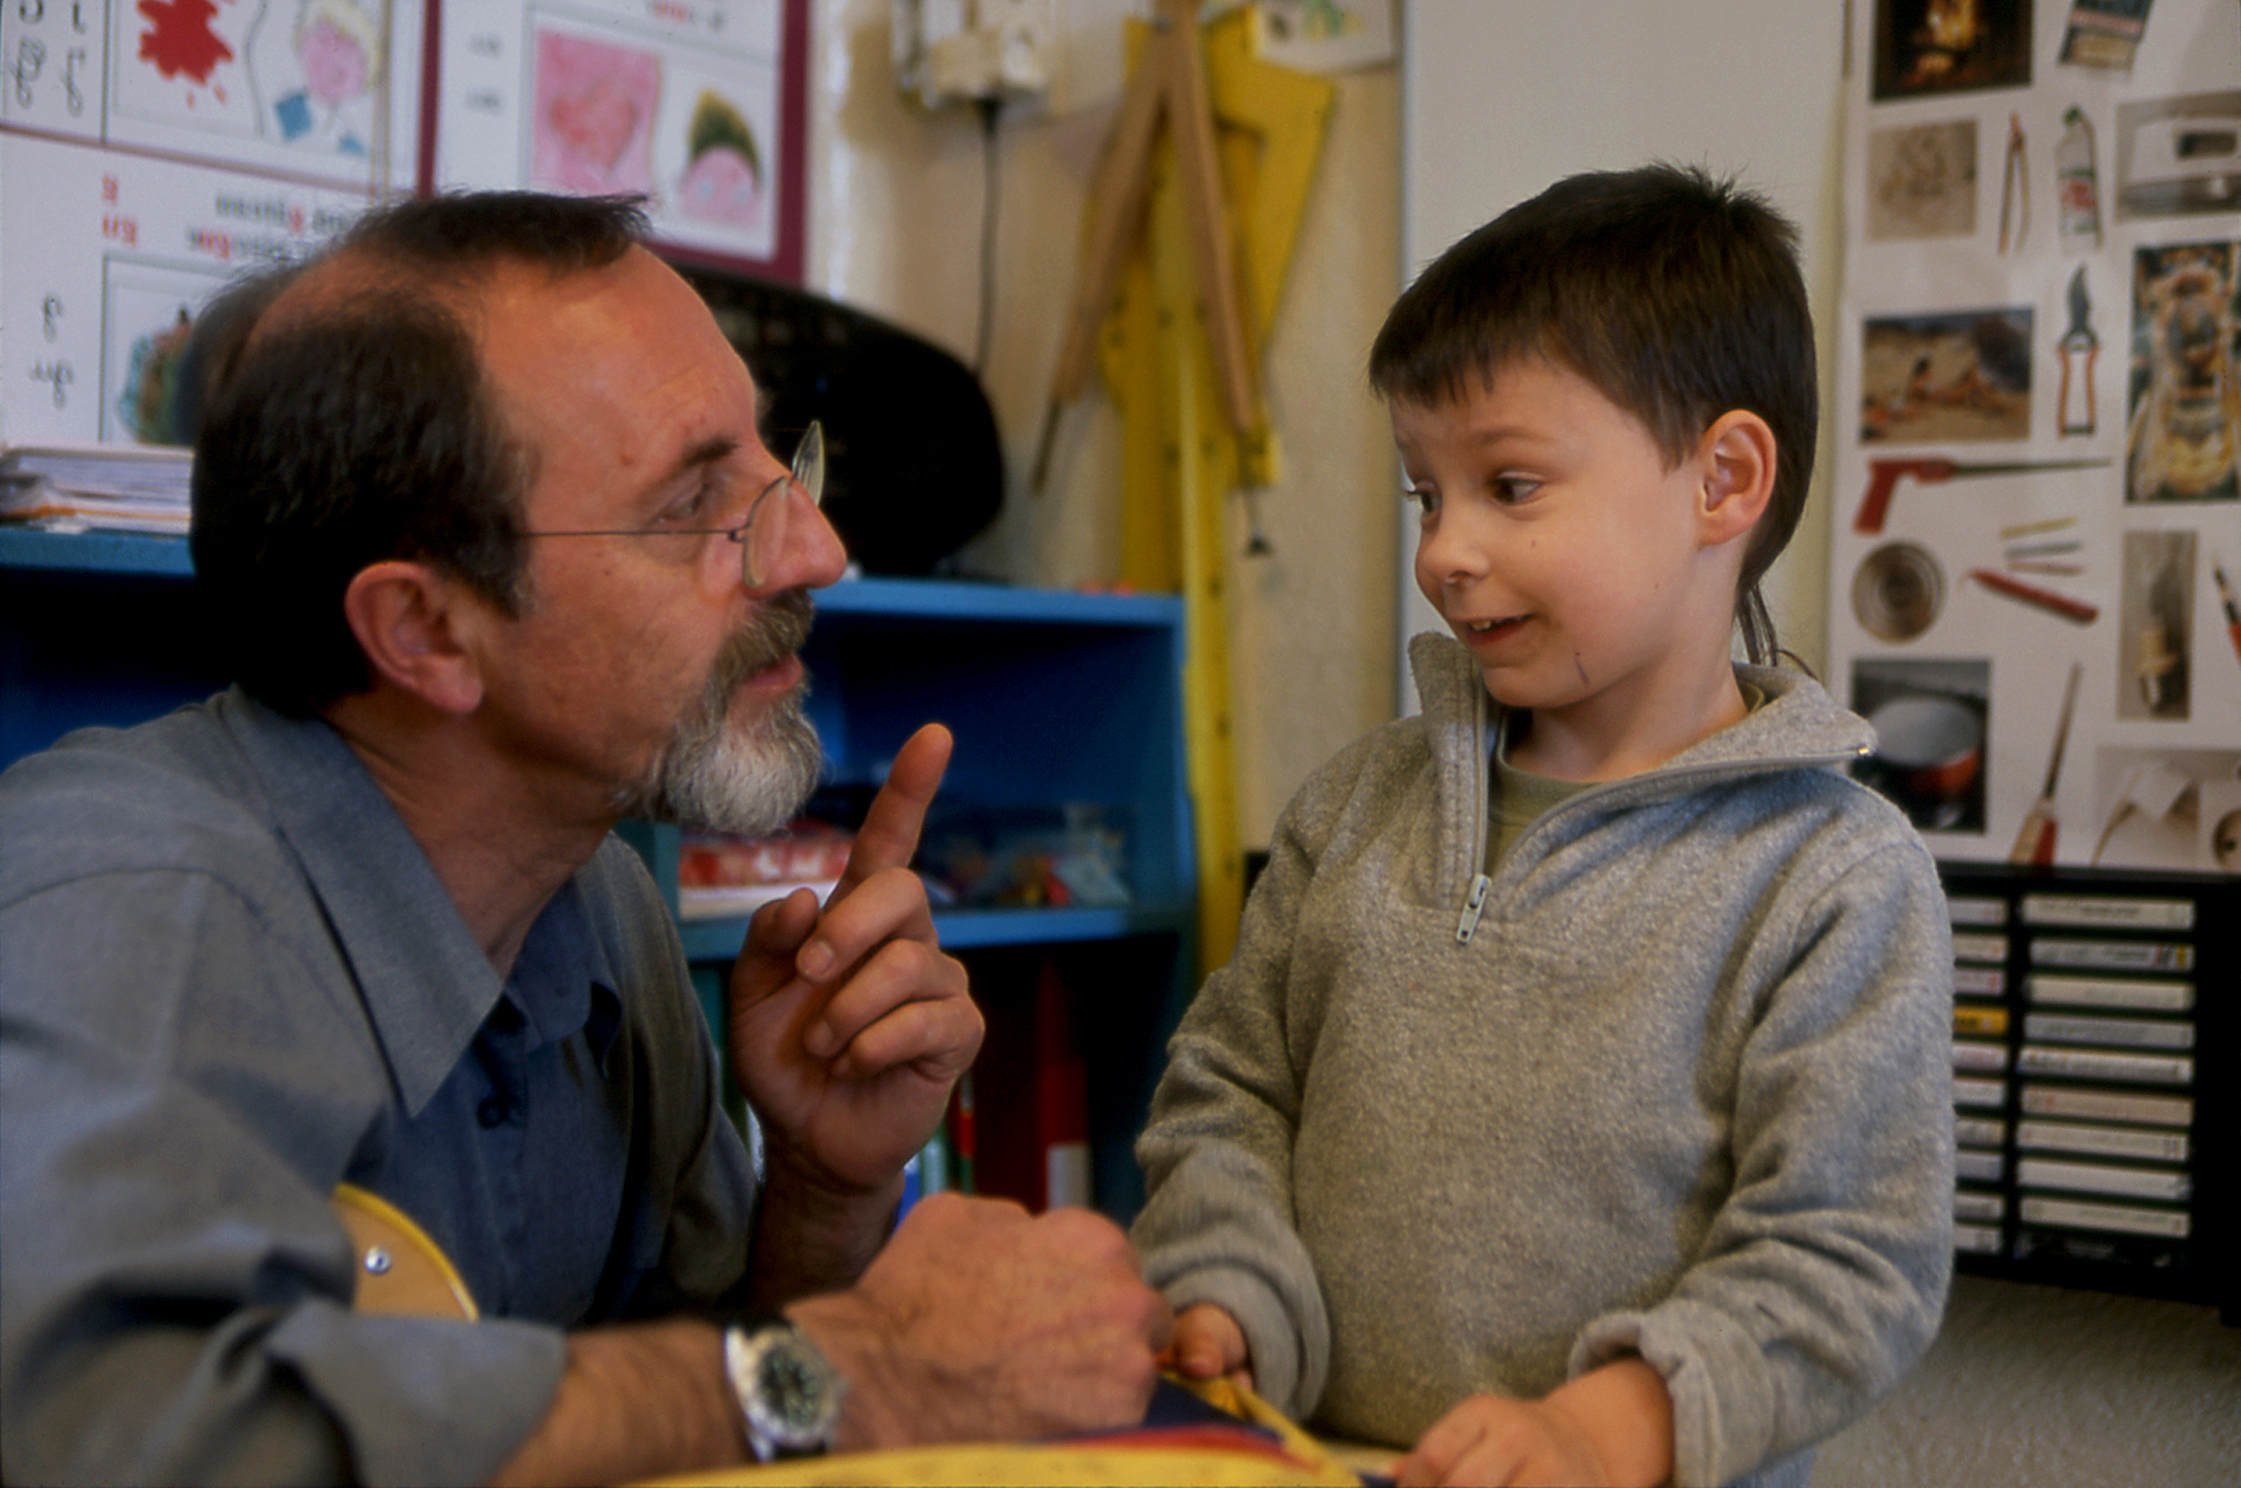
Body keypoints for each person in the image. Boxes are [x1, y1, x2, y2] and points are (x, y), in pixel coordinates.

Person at [0, 191, 1169, 1487]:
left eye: (786, 469)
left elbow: (675, 1408)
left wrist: (824, 1196)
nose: (818, 551)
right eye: (697, 508)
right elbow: (91, 1436)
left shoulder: (598, 898)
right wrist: (876, 1362)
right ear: (429, 632)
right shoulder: (118, 893)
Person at [1131, 164, 1956, 1488]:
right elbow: (1231, 1089)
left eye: (1507, 485)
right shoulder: (1352, 805)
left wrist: (1604, 1429)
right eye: (1424, 494)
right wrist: (1224, 1288)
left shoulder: (1832, 883)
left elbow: (1848, 1259)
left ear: (1721, 480)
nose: (1443, 551)